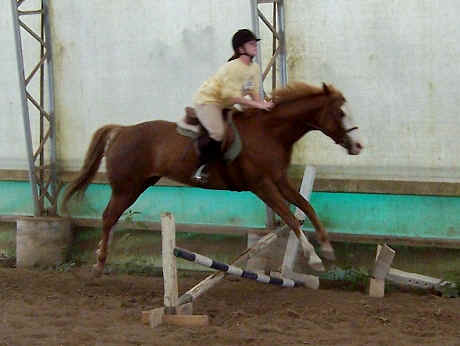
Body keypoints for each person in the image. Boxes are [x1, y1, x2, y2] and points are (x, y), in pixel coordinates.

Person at [191, 29, 274, 183]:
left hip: (226, 104)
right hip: (208, 101)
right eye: (251, 44)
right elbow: (232, 96)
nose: (255, 46)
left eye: (255, 43)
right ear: (241, 49)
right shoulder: (232, 67)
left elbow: (254, 93)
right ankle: (201, 167)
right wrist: (258, 104)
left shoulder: (254, 68)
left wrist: (264, 106)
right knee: (218, 133)